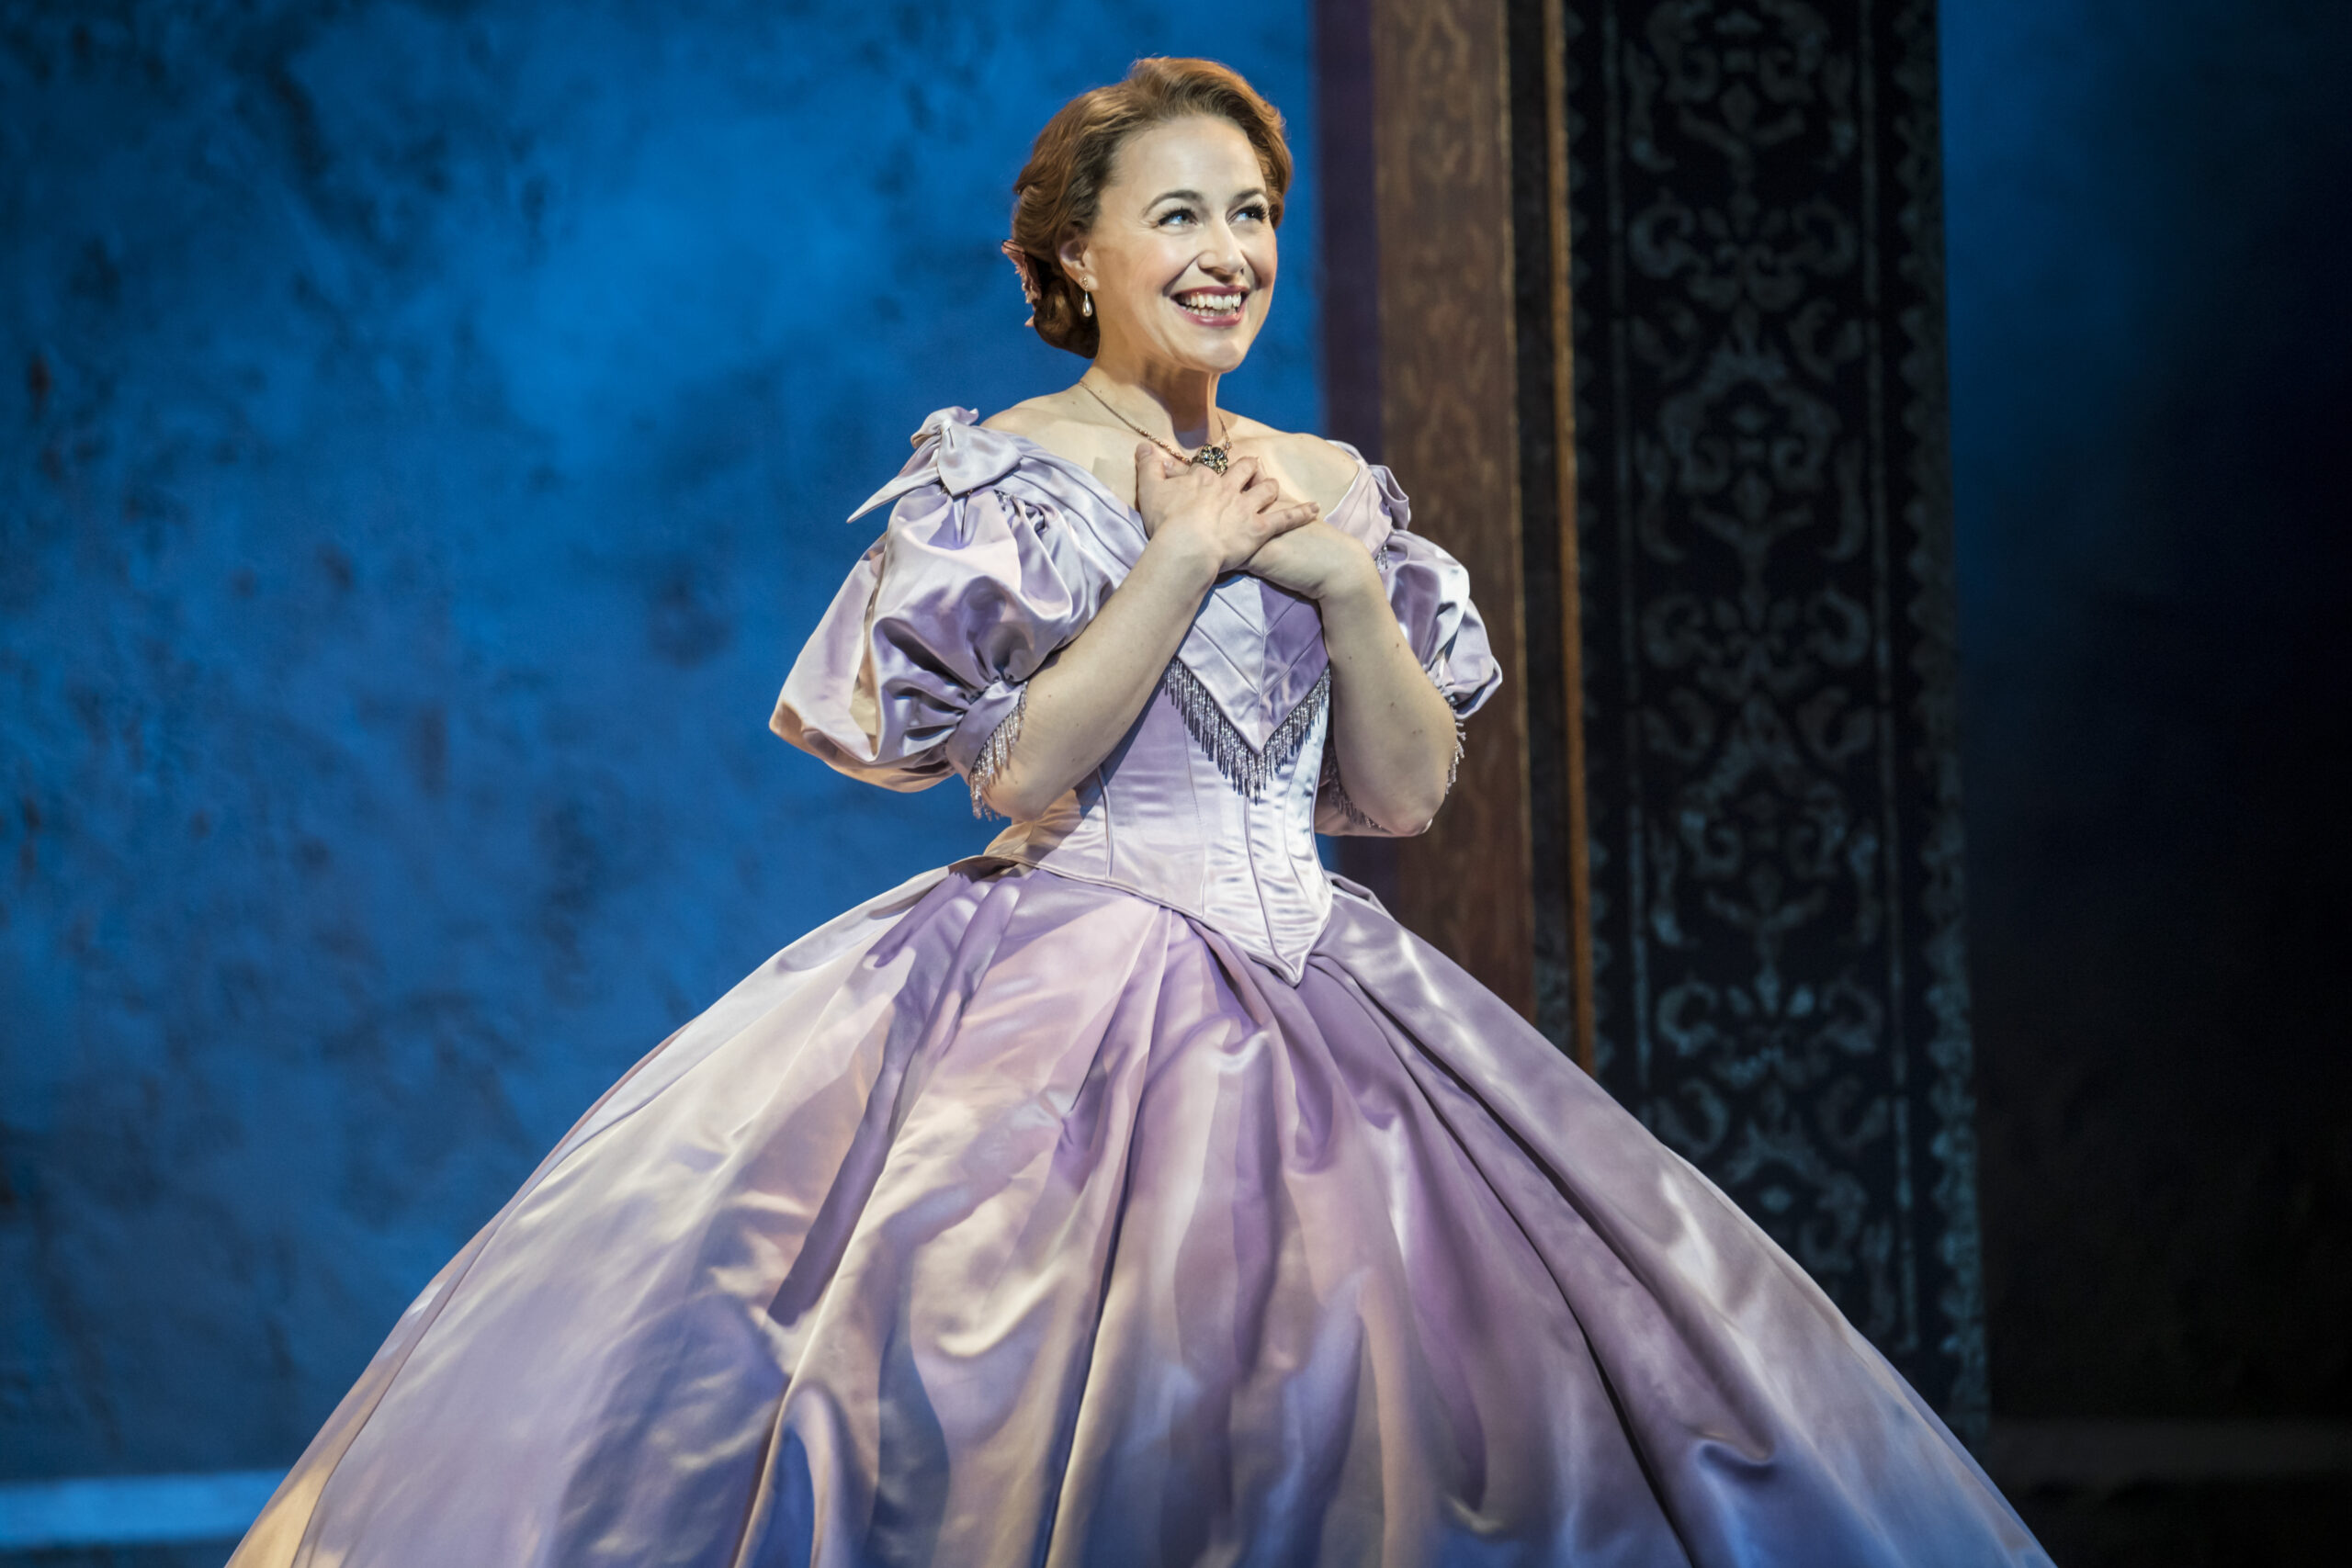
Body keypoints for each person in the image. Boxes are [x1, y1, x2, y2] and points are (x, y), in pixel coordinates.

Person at [229, 57, 2049, 1568]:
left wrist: (1343, 586)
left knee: (1429, 1399)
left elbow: (1400, 793)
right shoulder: (1005, 478)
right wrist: (1178, 558)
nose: (1226, 252)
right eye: (1178, 215)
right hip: (1066, 984)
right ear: (1074, 255)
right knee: (1024, 1400)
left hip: (1325, 979)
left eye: (1250, 213)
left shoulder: (1329, 478)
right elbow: (1015, 774)